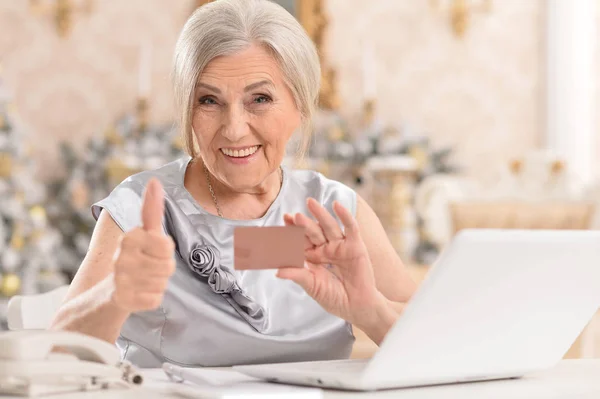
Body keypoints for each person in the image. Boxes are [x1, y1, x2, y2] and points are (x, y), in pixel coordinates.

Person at [50, 0, 417, 367]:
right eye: (209, 100)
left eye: (260, 99)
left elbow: (437, 341)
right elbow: (57, 352)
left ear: (300, 107)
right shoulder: (141, 207)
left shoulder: (333, 212)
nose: (234, 129)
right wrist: (116, 294)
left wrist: (371, 310)